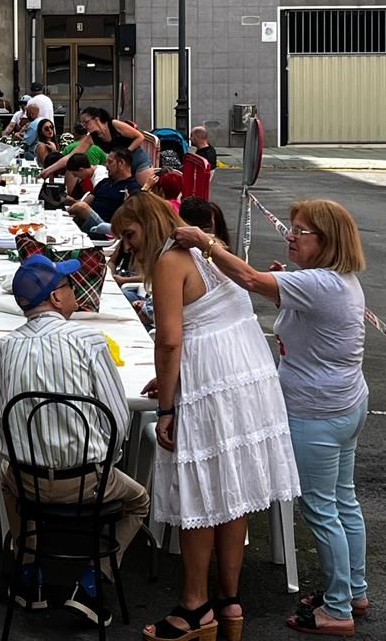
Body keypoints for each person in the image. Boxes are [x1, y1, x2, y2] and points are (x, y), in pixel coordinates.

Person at [173, 199, 369, 637]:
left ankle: (337, 610)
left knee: (321, 510)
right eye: (293, 227)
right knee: (344, 502)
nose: (291, 235)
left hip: (315, 411)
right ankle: (353, 589)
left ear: (327, 241)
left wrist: (206, 242)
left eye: (302, 231)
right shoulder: (334, 280)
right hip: (346, 403)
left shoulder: (319, 283)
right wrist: (288, 277)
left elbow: (247, 278)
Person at [111, 192, 300, 641]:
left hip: (210, 379)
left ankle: (195, 606)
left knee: (200, 497)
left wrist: (167, 406)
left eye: (129, 234)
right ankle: (229, 601)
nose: (125, 245)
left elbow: (171, 341)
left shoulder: (169, 261)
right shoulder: (207, 247)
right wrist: (169, 381)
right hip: (245, 374)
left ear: (149, 224)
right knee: (232, 493)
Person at [0, 253, 149, 627]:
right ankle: (92, 580)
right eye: (69, 286)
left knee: (7, 479)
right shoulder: (89, 341)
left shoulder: (2, 349)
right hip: (86, 481)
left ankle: (29, 577)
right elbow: (118, 418)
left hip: (27, 481)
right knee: (139, 501)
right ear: (56, 298)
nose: (76, 292)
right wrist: (102, 462)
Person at [41, 106, 153, 188]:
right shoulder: (92, 138)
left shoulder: (114, 124)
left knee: (145, 190)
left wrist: (125, 152)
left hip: (137, 160)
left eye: (86, 122)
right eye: (83, 124)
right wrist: (49, 169)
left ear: (96, 119)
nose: (85, 126)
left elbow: (139, 137)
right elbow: (71, 156)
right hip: (120, 166)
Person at [67, 149, 141, 237]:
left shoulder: (133, 188)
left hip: (107, 228)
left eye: (110, 162)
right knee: (79, 207)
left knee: (81, 207)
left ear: (121, 163)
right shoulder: (104, 182)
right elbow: (85, 201)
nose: (106, 166)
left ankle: (64, 214)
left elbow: (129, 218)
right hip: (90, 222)